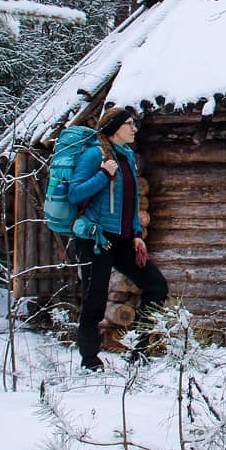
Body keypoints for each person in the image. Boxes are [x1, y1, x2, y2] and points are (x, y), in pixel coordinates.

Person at [68, 105, 168, 370]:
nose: (134, 129)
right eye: (129, 125)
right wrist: (103, 174)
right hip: (96, 240)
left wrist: (136, 234)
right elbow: (75, 194)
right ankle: (90, 361)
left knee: (156, 286)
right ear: (114, 129)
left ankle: (139, 350)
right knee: (95, 300)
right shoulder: (94, 155)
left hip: (123, 240)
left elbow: (131, 201)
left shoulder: (128, 158)